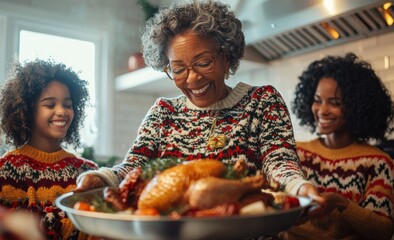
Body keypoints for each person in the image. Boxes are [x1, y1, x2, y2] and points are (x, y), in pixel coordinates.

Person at [76, 0, 321, 226]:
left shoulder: (261, 102)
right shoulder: (164, 112)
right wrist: (104, 177)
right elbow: (135, 164)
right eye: (178, 69)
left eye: (203, 63)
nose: (192, 79)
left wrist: (299, 187)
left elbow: (279, 162)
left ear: (226, 57)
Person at [284, 53, 394, 240]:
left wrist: (342, 204)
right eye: (317, 100)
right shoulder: (295, 152)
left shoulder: (379, 162)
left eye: (334, 103)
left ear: (356, 106)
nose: (322, 110)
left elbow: (382, 232)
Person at [0, 59, 99, 239]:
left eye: (67, 105)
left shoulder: (89, 173)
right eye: (50, 104)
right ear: (27, 111)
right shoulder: (5, 171)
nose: (62, 111)